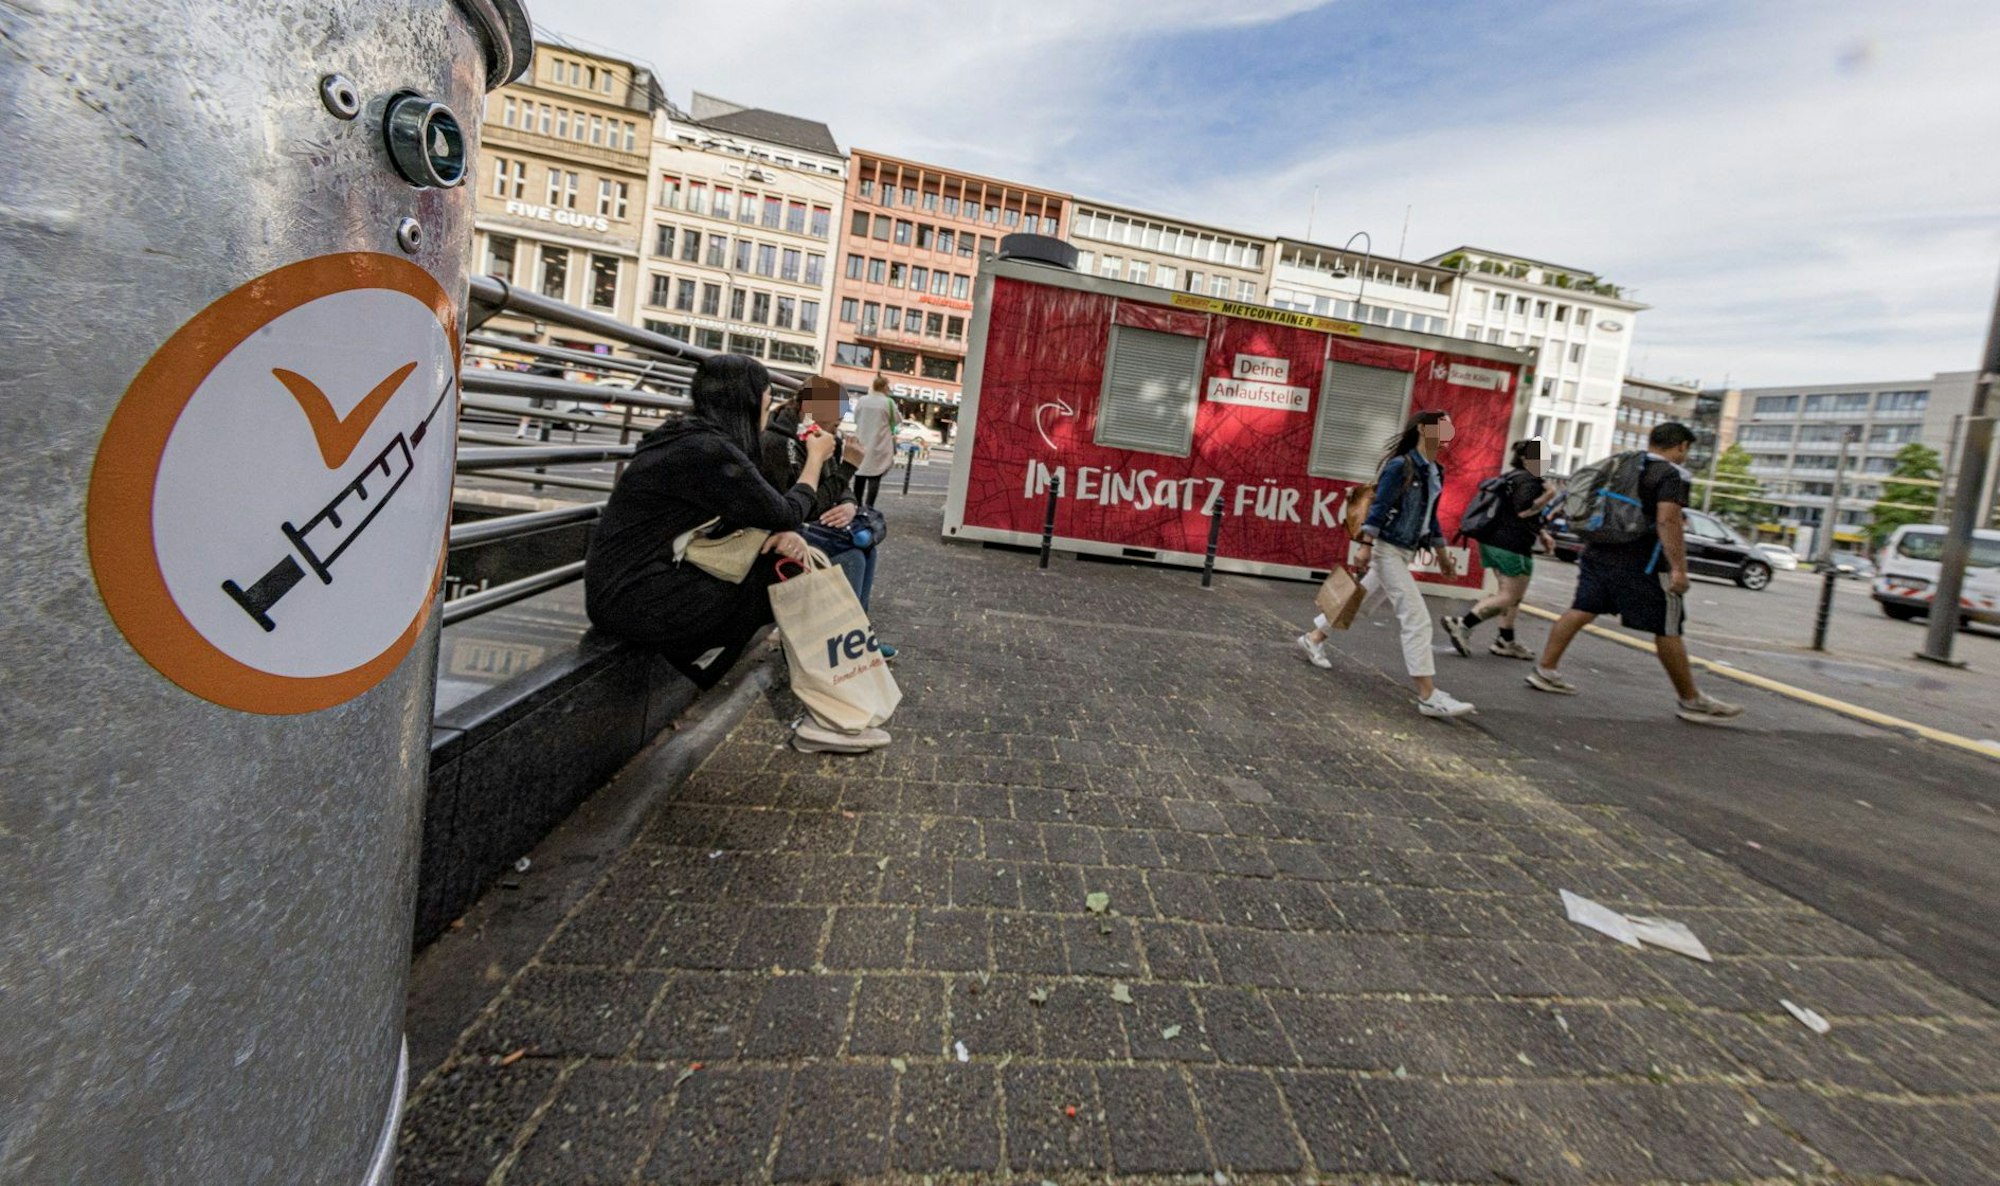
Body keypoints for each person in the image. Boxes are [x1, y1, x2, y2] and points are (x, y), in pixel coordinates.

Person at [584, 354, 888, 752]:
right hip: (633, 595)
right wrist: (816, 462)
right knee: (788, 575)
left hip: (636, 584)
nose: (769, 410)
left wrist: (779, 532)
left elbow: (757, 513)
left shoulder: (692, 440)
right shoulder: (708, 451)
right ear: (747, 403)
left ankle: (813, 707)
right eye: (766, 401)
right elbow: (785, 510)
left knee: (784, 564)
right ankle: (826, 716)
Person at [1526, 422, 1744, 724]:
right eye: (1687, 449)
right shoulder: (1671, 475)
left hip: (1598, 551)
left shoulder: (1620, 463)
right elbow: (1668, 520)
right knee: (1668, 627)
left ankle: (1545, 670)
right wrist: (1679, 568)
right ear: (1680, 446)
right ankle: (1691, 699)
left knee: (1581, 608)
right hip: (1645, 562)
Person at [1298, 410, 1475, 719]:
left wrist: (1443, 554)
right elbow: (1379, 508)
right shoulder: (1401, 465)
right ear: (1423, 429)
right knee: (1416, 617)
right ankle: (1428, 695)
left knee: (1359, 602)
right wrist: (1365, 546)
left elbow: (1430, 517)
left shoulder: (1435, 471)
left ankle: (1313, 639)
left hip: (1405, 549)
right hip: (1387, 549)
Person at [758, 376, 896, 658]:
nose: (840, 421)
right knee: (852, 554)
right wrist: (848, 467)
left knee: (865, 545)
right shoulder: (779, 443)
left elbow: (840, 488)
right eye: (836, 413)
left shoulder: (818, 436)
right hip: (785, 533)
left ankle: (856, 635)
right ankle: (842, 646)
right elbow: (801, 508)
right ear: (810, 409)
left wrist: (848, 504)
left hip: (812, 526)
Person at [1443, 438, 1558, 660]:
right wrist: (1549, 496)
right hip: (1510, 545)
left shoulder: (1512, 477)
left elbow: (1518, 514)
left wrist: (1542, 533)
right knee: (1509, 595)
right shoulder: (1529, 480)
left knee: (1511, 595)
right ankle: (1463, 624)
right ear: (1525, 458)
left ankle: (1505, 639)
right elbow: (1523, 512)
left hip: (1498, 542)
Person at [850, 375, 898, 507]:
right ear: (883, 387)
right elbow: (897, 420)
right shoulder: (888, 402)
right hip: (879, 443)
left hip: (862, 441)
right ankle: (869, 506)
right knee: (875, 476)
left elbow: (856, 418)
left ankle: (857, 504)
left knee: (860, 474)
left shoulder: (863, 400)